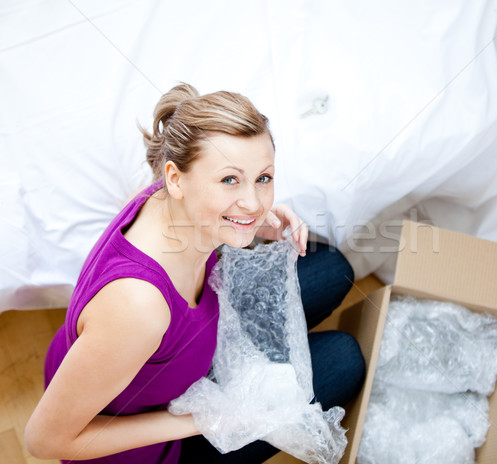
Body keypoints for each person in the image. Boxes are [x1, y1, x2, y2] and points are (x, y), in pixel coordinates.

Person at [25, 83, 365, 464]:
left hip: (173, 354)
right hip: (154, 442)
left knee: (334, 267)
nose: (253, 200)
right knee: (345, 359)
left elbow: (237, 205)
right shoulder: (138, 306)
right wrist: (202, 419)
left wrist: (251, 223)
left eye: (263, 178)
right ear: (175, 179)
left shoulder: (164, 197)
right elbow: (43, 442)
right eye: (230, 179)